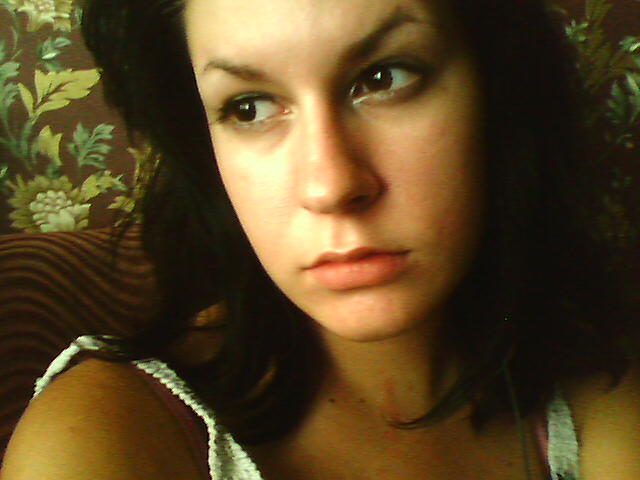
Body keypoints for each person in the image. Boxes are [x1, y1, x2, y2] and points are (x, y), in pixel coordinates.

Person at [1, 0, 639, 478]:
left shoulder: (595, 397)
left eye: (384, 77)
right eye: (249, 107)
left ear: (496, 92)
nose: (331, 185)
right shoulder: (110, 433)